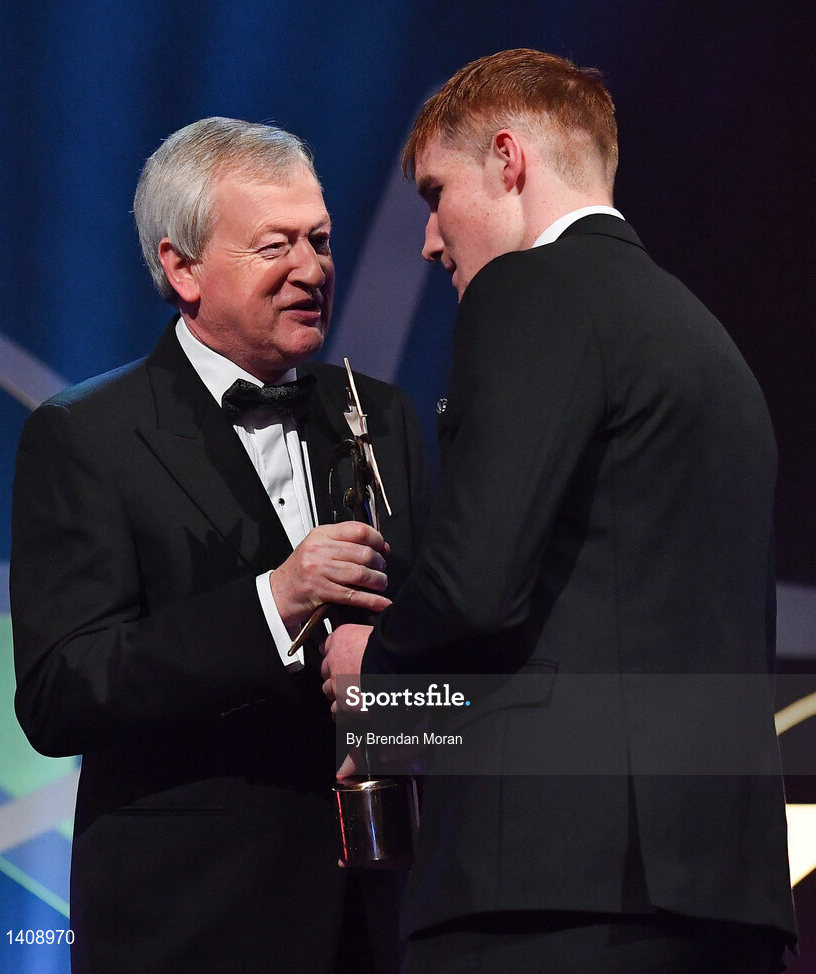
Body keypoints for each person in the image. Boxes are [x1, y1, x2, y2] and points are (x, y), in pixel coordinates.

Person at [321, 50, 797, 973]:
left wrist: (371, 666)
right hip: (718, 895)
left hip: (550, 889)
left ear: (508, 160)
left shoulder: (530, 290)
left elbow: (474, 586)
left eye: (434, 191)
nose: (427, 240)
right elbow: (595, 631)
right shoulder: (701, 337)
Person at [10, 117, 428, 974]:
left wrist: (405, 701)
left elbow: (432, 645)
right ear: (181, 268)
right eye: (274, 245)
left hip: (381, 920)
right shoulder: (86, 434)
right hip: (189, 925)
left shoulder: (380, 414)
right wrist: (274, 603)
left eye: (319, 240)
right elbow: (59, 693)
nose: (311, 269)